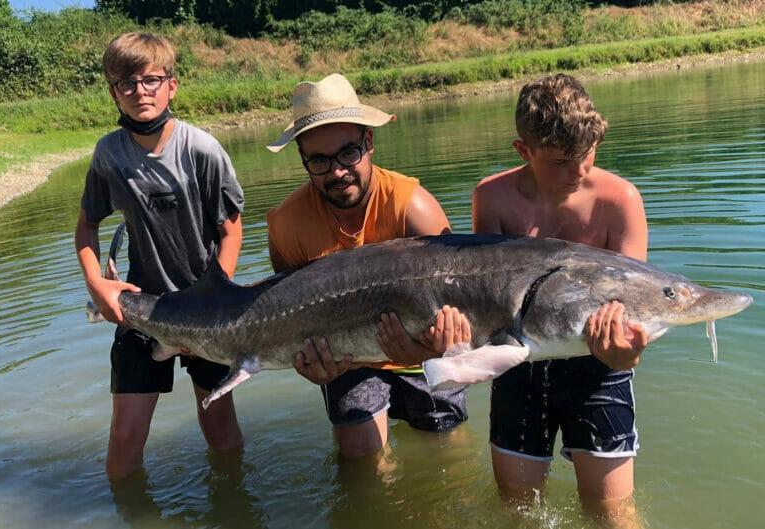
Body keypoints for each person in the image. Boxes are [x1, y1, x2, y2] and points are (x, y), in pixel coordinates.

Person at [472, 73, 649, 523]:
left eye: (587, 153)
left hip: (598, 369)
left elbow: (636, 304)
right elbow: (483, 301)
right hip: (518, 368)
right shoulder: (491, 199)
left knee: (613, 514)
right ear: (522, 151)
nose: (580, 170)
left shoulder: (620, 200)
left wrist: (627, 352)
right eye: (560, 162)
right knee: (515, 514)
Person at [266, 73, 470, 458]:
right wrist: (310, 367)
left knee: (447, 458)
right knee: (360, 463)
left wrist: (432, 350)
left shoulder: (414, 208)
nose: (338, 172)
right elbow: (287, 320)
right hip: (348, 362)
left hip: (426, 355)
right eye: (320, 161)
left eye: (348, 153)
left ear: (369, 142)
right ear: (303, 159)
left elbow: (460, 315)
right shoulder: (286, 224)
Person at [74, 32, 245, 480]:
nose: (140, 92)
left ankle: (232, 506)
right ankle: (127, 512)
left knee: (219, 428)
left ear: (172, 85)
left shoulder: (201, 149)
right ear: (113, 92)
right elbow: (86, 226)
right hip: (140, 307)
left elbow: (231, 231)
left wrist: (213, 297)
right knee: (125, 436)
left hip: (206, 308)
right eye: (126, 83)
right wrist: (98, 286)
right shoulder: (109, 154)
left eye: (151, 80)